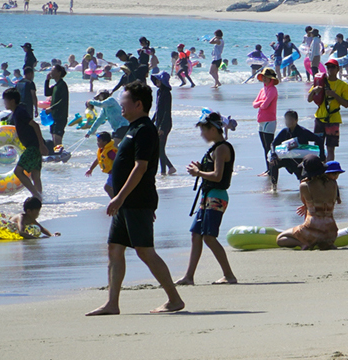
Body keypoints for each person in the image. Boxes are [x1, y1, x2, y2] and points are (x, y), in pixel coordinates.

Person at [87, 81, 184, 316]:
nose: (120, 105)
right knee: (114, 249)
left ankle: (174, 299)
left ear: (138, 104)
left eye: (124, 101)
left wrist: (119, 197)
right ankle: (112, 303)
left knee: (145, 251)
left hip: (135, 200)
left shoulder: (145, 130)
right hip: (126, 202)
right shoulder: (131, 128)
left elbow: (141, 168)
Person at [178, 113, 236, 285]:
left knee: (209, 237)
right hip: (208, 196)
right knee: (196, 235)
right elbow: (215, 171)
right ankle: (189, 277)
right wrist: (201, 168)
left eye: (204, 130)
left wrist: (198, 173)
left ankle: (229, 275)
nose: (202, 134)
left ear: (213, 129)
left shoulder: (222, 148)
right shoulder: (216, 148)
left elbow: (218, 176)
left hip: (216, 196)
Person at [277, 156, 339, 250]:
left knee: (280, 239)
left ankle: (303, 243)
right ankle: (326, 243)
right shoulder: (334, 184)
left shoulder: (305, 186)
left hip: (312, 228)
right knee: (324, 238)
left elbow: (306, 203)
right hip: (331, 231)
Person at [5, 87, 45, 202]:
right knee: (35, 175)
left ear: (12, 101)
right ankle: (40, 199)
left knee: (18, 171)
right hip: (33, 146)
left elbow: (35, 125)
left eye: (5, 100)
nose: (4, 103)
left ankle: (36, 195)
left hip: (33, 146)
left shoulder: (19, 112)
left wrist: (41, 145)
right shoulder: (16, 112)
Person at [308, 58, 348, 162]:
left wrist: (334, 95)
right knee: (318, 147)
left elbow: (346, 104)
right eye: (328, 67)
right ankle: (319, 171)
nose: (330, 69)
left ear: (337, 69)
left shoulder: (343, 85)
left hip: (333, 119)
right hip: (320, 118)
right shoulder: (320, 82)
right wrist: (313, 91)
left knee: (331, 148)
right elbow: (309, 99)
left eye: (332, 67)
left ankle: (329, 171)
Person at [268, 110, 323, 188]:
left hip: (300, 160)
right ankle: (274, 187)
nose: (288, 122)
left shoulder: (303, 132)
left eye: (290, 120)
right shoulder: (285, 132)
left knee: (303, 179)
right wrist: (274, 154)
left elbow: (319, 140)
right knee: (273, 164)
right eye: (286, 119)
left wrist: (321, 155)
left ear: (296, 120)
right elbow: (273, 144)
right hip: (288, 159)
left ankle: (305, 189)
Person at [252, 68, 280, 164]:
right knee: (264, 147)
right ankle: (268, 169)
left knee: (269, 147)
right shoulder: (262, 90)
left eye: (266, 77)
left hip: (269, 121)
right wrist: (260, 102)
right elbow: (254, 104)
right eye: (263, 76)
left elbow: (265, 105)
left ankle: (272, 168)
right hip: (261, 120)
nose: (264, 78)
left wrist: (260, 103)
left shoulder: (273, 90)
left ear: (271, 79)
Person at [150, 72, 176, 175]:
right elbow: (158, 110)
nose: (157, 82)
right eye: (155, 80)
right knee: (158, 148)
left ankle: (164, 171)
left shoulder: (166, 93)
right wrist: (151, 122)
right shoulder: (159, 92)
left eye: (158, 80)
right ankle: (168, 168)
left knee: (160, 148)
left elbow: (166, 111)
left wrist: (161, 127)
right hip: (158, 123)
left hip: (165, 124)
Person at [44, 65, 69, 151]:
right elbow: (47, 93)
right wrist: (47, 80)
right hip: (54, 116)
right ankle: (56, 157)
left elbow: (63, 101)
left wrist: (51, 108)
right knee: (54, 137)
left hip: (61, 116)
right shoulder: (55, 86)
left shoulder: (62, 85)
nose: (51, 72)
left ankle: (60, 155)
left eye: (53, 71)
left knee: (58, 139)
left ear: (59, 73)